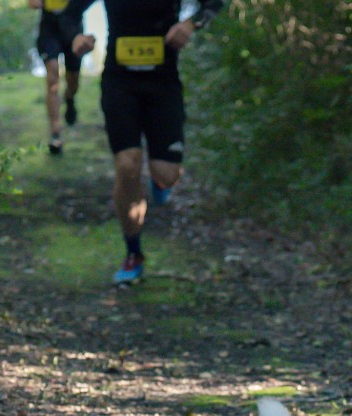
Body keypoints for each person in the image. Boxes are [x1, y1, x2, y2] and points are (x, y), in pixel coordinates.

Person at [62, 0, 225, 284]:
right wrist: (76, 36)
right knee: (128, 165)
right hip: (119, 84)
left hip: (163, 86)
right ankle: (133, 253)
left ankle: (160, 182)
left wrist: (191, 24)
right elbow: (69, 13)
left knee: (167, 174)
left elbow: (214, 3)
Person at [28, 0, 83, 155]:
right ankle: (55, 133)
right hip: (49, 28)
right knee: (52, 79)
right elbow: (32, 3)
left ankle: (70, 98)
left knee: (73, 82)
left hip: (73, 27)